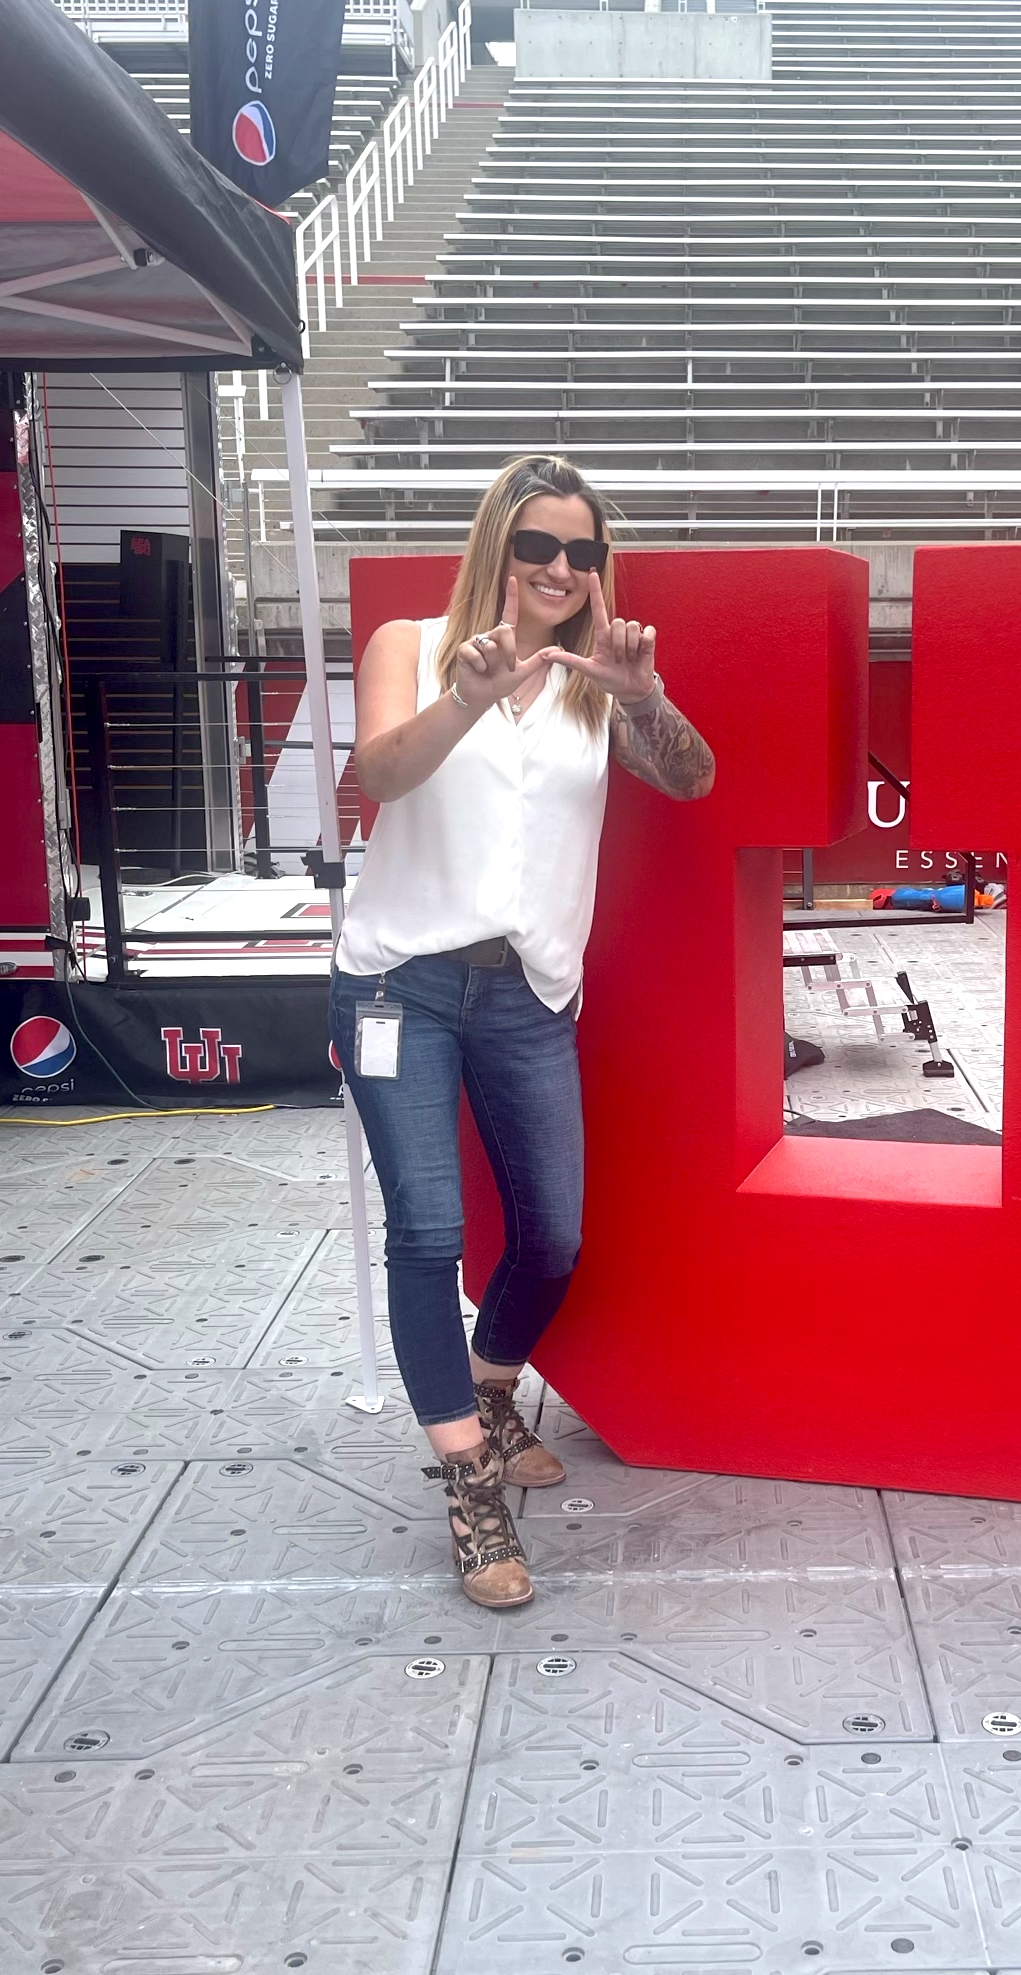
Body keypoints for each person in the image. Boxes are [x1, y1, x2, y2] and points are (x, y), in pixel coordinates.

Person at [330, 454, 715, 1610]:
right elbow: (375, 776)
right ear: (496, 544)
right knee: (429, 1231)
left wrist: (640, 691)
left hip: (530, 994)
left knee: (550, 1237)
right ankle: (468, 1484)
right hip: (400, 981)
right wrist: (470, 693)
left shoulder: (601, 679)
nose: (558, 568)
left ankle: (491, 1397)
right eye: (538, 545)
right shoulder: (411, 643)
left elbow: (691, 781)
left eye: (581, 552)